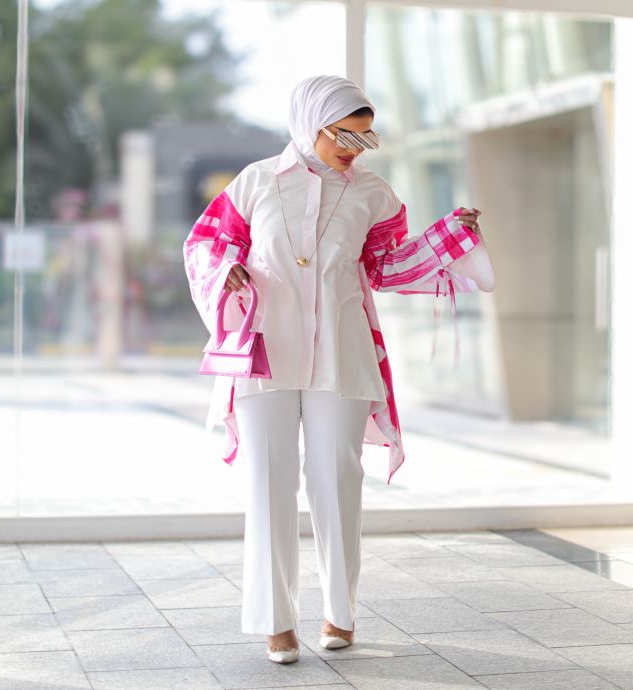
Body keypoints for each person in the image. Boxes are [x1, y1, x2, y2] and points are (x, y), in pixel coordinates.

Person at [183, 75, 494, 665]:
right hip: (263, 352)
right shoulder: (255, 182)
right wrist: (225, 269)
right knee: (268, 485)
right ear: (310, 124)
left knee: (338, 481)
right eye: (342, 134)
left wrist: (449, 237)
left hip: (342, 351)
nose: (353, 147)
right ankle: (277, 623)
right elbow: (204, 243)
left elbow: (387, 266)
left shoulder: (374, 193)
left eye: (364, 136)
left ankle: (339, 614)